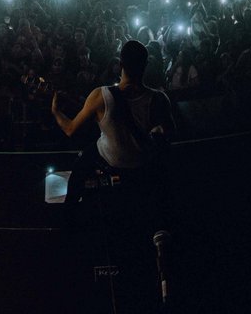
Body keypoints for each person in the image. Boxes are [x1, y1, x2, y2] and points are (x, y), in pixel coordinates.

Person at [51, 40, 172, 227]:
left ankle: (68, 219)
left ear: (120, 65)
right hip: (141, 162)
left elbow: (70, 129)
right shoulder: (159, 99)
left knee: (80, 167)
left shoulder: (101, 95)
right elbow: (169, 135)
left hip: (111, 158)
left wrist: (56, 112)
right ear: (145, 66)